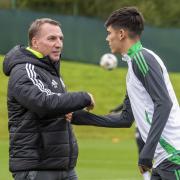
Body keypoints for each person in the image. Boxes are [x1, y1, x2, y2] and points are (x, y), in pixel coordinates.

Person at [71, 6, 180, 180]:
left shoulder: (141, 59)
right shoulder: (132, 67)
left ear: (121, 34)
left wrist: (147, 151)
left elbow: (164, 104)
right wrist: (81, 117)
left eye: (109, 33)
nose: (107, 38)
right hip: (162, 160)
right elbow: (126, 119)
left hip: (174, 156)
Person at [3, 18, 95, 180]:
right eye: (52, 38)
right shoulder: (25, 70)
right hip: (37, 168)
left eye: (61, 39)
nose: (58, 44)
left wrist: (71, 109)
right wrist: (84, 97)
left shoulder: (49, 70)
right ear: (35, 42)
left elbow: (56, 105)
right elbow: (45, 103)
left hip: (63, 167)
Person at [110, 104, 151, 180]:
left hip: (152, 127)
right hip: (140, 128)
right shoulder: (136, 96)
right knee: (142, 154)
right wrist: (115, 110)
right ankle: (146, 177)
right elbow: (127, 103)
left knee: (158, 153)